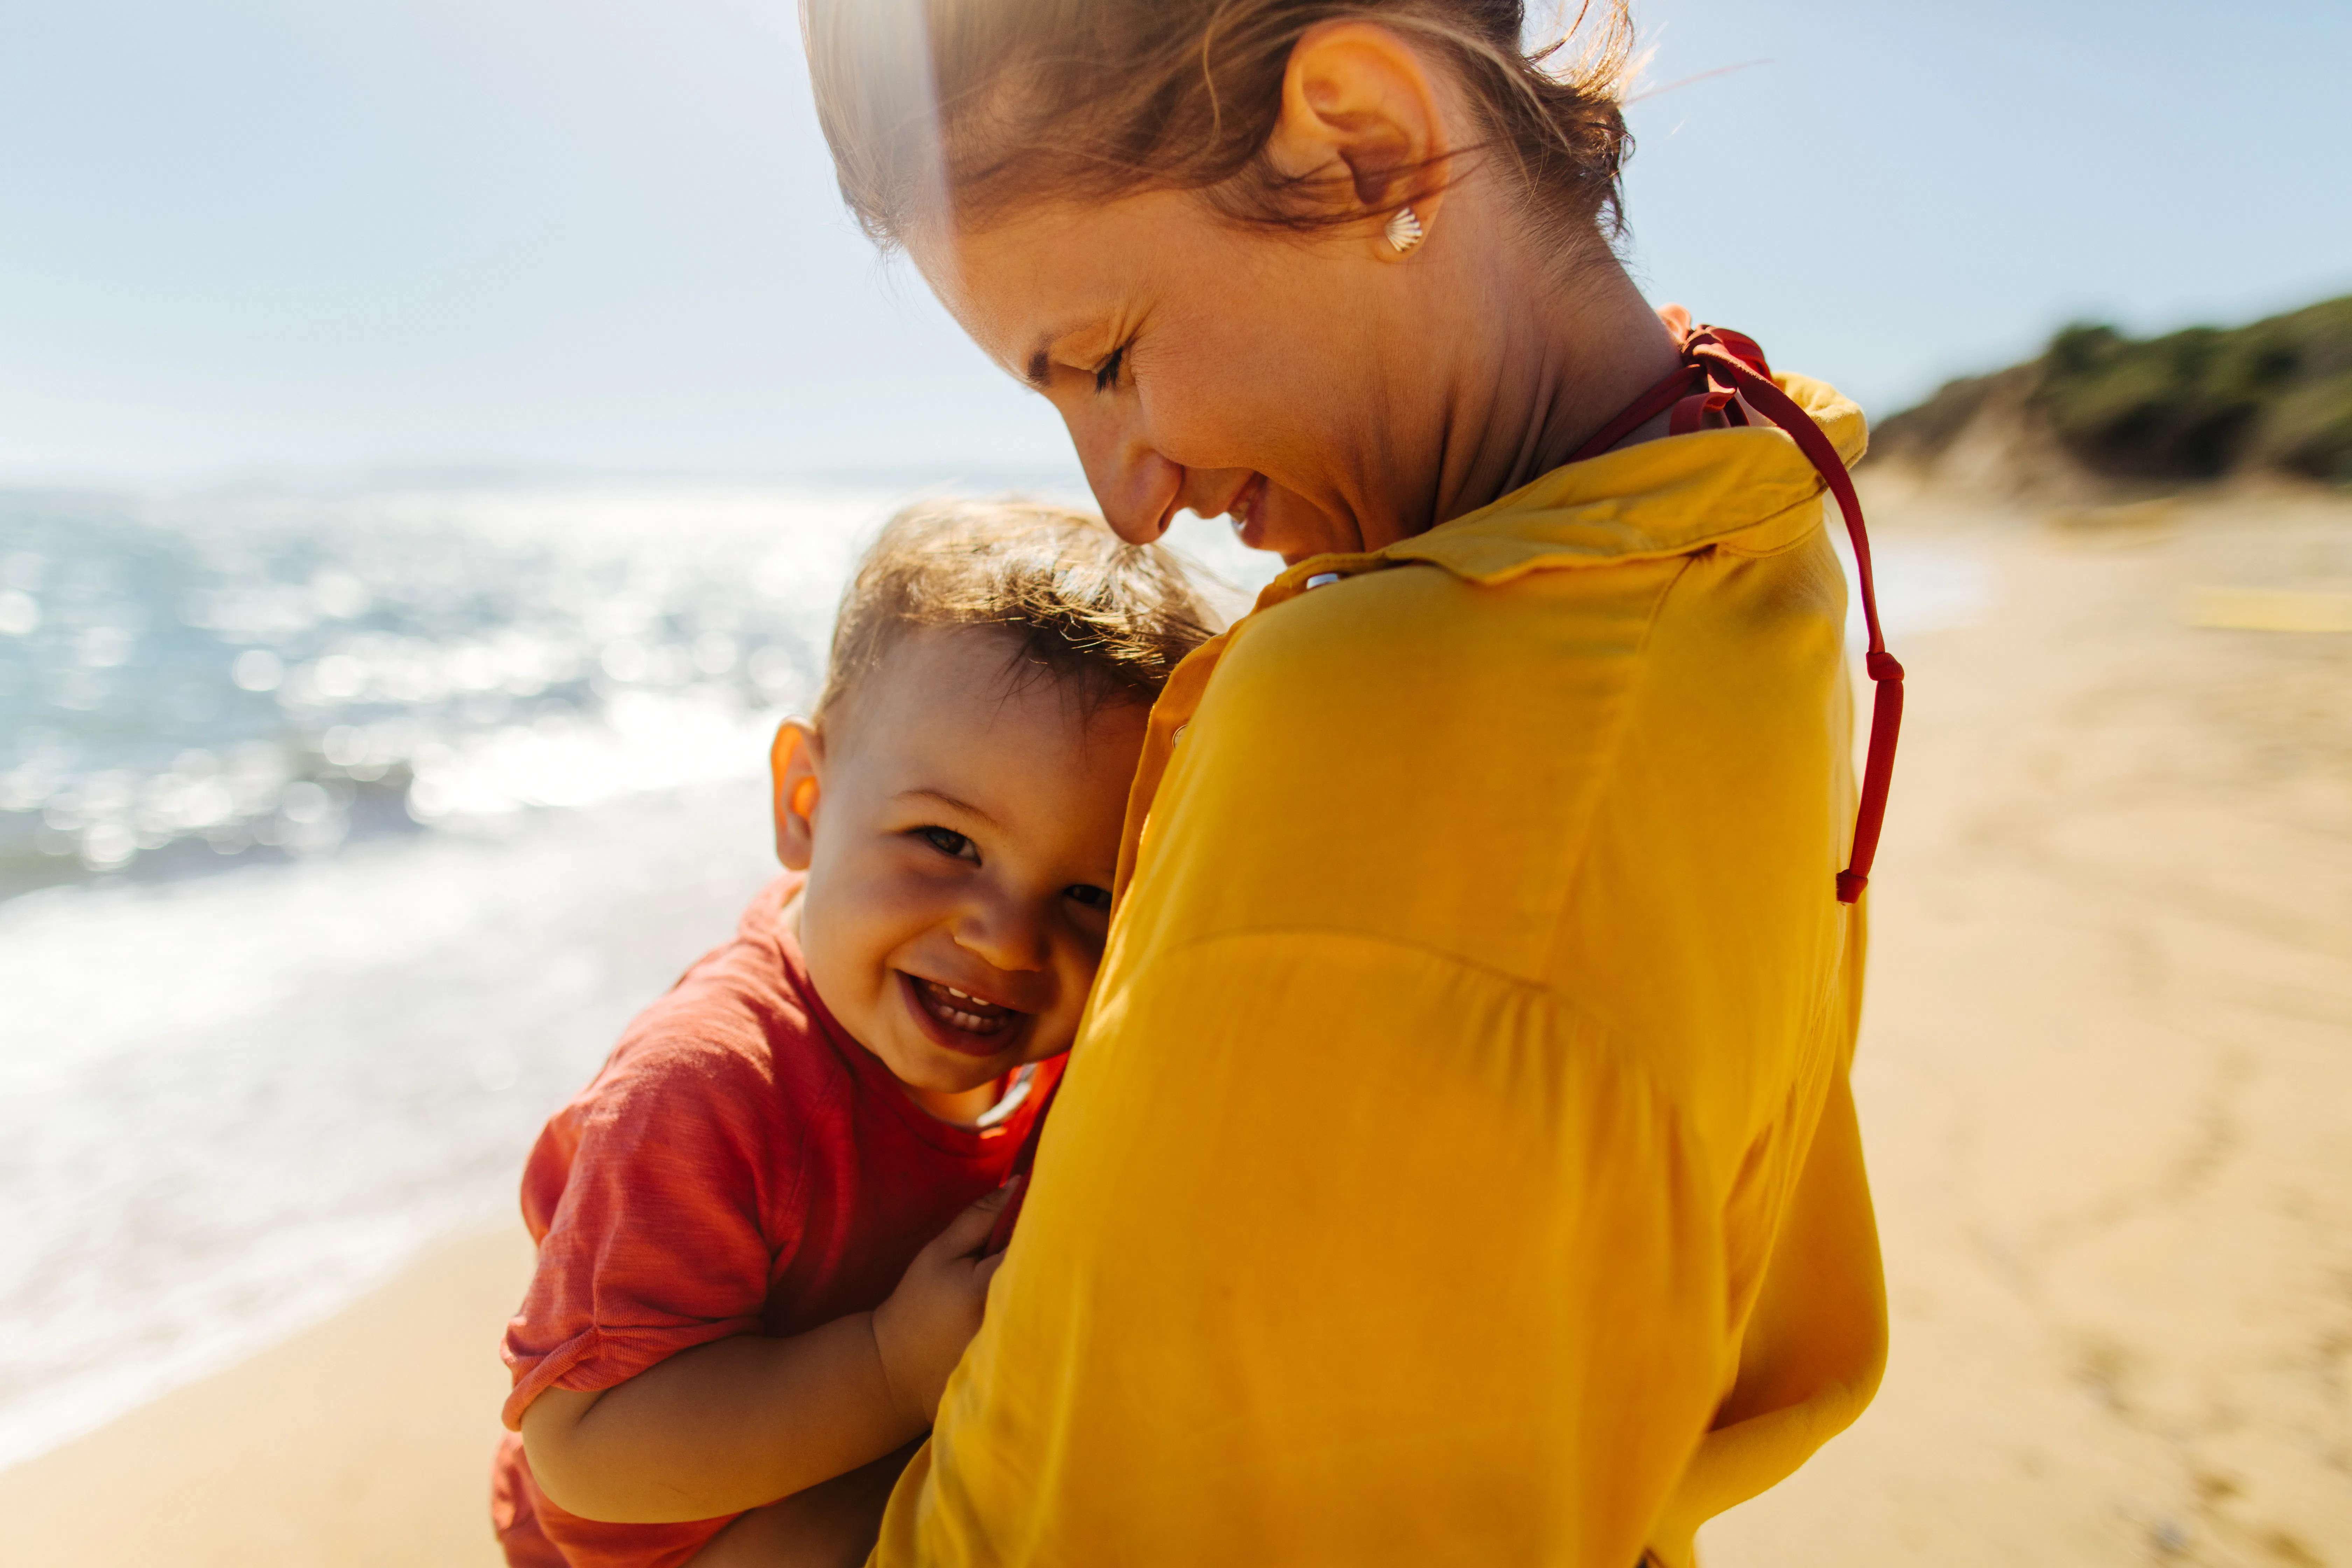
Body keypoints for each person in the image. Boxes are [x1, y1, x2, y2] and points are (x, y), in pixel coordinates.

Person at [793, 3, 1895, 1566]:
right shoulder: (1731, 531)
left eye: (1106, 359)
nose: (1126, 502)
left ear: (1366, 143)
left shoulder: (1381, 727)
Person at [489, 502, 1215, 1568]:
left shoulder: (1064, 1054)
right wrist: (887, 1368)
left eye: (1087, 895)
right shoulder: (704, 1087)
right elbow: (583, 1452)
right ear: (806, 798)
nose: (1006, 939)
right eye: (947, 840)